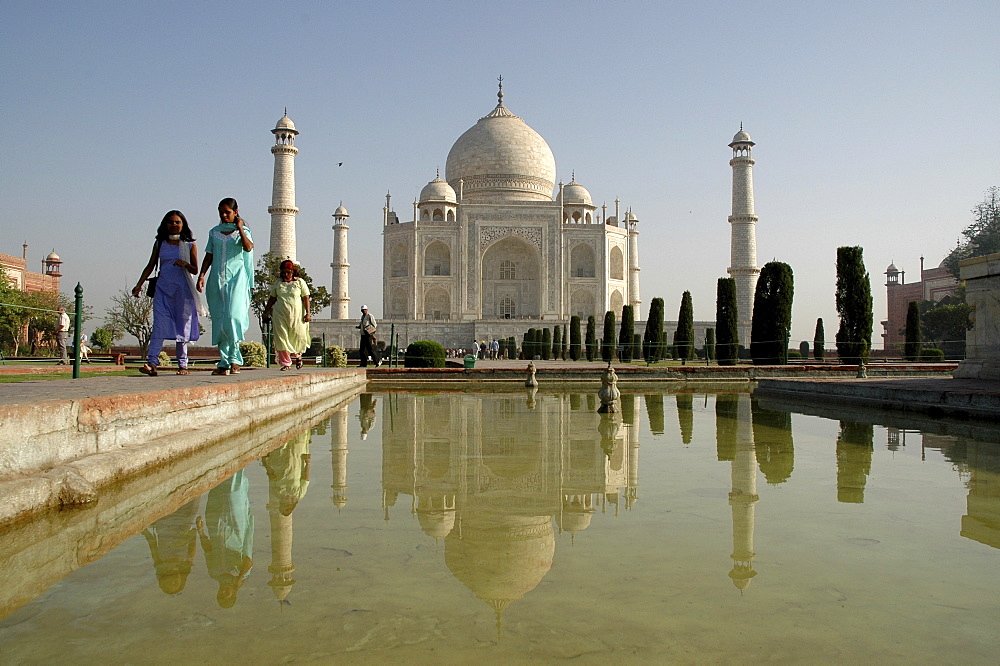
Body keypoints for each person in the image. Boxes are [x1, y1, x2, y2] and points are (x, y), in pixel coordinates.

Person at [133, 210, 203, 376]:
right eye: (170, 222)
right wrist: (139, 284)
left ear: (183, 224)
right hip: (163, 290)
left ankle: (183, 365)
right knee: (159, 326)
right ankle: (152, 362)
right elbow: (151, 265)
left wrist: (185, 264)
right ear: (165, 225)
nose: (173, 225)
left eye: (177, 222)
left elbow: (195, 269)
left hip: (183, 292)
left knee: (183, 326)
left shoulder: (189, 244)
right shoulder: (160, 243)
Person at [197, 198, 254, 376]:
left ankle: (235, 359)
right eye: (221, 212)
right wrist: (201, 275)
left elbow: (248, 247)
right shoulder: (214, 232)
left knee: (233, 317)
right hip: (216, 279)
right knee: (220, 319)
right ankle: (223, 361)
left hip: (237, 278)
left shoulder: (243, 232)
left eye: (227, 212)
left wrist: (240, 229)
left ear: (235, 212)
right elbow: (209, 255)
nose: (223, 215)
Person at [262, 259, 311, 371]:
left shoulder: (299, 282)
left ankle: (298, 356)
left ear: (292, 271)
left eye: (288, 272)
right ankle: (286, 363)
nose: (285, 274)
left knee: (298, 336)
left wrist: (308, 313)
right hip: (280, 314)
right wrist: (266, 311)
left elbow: (306, 298)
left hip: (297, 315)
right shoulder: (278, 283)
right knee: (281, 338)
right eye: (283, 272)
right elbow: (272, 298)